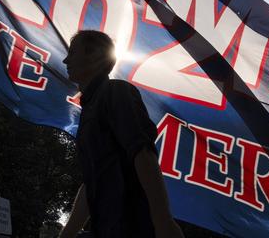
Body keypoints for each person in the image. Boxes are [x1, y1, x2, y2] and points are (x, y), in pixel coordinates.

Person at [59, 31, 184, 238]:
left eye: (73, 52)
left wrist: (163, 222)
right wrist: (66, 235)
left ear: (96, 55)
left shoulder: (116, 92)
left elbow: (143, 153)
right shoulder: (89, 108)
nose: (66, 59)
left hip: (134, 227)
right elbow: (92, 181)